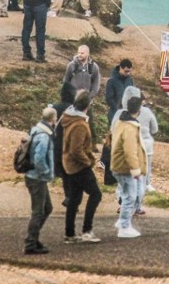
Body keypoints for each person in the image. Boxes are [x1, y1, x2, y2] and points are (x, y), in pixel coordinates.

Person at [60, 90, 102, 244]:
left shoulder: (70, 119)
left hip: (70, 165)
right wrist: (88, 162)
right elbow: (76, 150)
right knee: (96, 195)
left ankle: (69, 234)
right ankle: (86, 230)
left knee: (75, 199)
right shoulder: (79, 124)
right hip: (79, 166)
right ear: (87, 105)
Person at [112, 86, 158, 206]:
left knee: (125, 177)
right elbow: (155, 129)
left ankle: (122, 200)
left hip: (124, 149)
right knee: (141, 178)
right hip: (145, 148)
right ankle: (138, 205)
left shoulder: (119, 113)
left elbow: (113, 130)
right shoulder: (146, 111)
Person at [112, 96, 146, 238]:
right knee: (130, 197)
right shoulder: (130, 128)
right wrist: (135, 169)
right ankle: (125, 226)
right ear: (138, 110)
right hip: (125, 167)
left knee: (127, 195)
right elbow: (130, 150)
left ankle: (122, 222)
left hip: (118, 164)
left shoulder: (121, 122)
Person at [24, 107, 57, 255]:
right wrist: (46, 172)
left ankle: (33, 238)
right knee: (39, 211)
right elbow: (39, 159)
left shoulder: (35, 130)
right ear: (53, 118)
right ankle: (31, 242)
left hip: (31, 176)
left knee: (46, 208)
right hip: (37, 177)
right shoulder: (44, 136)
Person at [50, 82, 77, 206]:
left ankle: (68, 197)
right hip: (69, 146)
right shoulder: (74, 110)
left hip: (55, 145)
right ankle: (70, 197)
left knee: (63, 173)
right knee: (70, 173)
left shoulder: (54, 108)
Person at [104, 59, 134, 125]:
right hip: (115, 115)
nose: (128, 74)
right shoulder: (111, 81)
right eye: (126, 71)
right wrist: (118, 109)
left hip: (127, 116)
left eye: (129, 71)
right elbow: (109, 99)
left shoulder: (130, 80)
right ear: (120, 68)